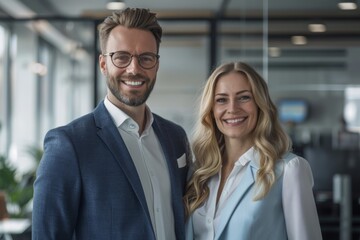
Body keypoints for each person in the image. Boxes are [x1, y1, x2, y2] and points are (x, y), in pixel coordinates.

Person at [32, 8, 191, 240]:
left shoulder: (175, 138)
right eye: (121, 57)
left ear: (156, 65)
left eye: (146, 58)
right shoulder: (70, 145)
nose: (134, 68)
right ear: (103, 64)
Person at [183, 62, 322, 240]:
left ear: (260, 104)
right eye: (221, 99)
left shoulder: (289, 170)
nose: (232, 108)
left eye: (244, 97)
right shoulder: (199, 173)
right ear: (211, 109)